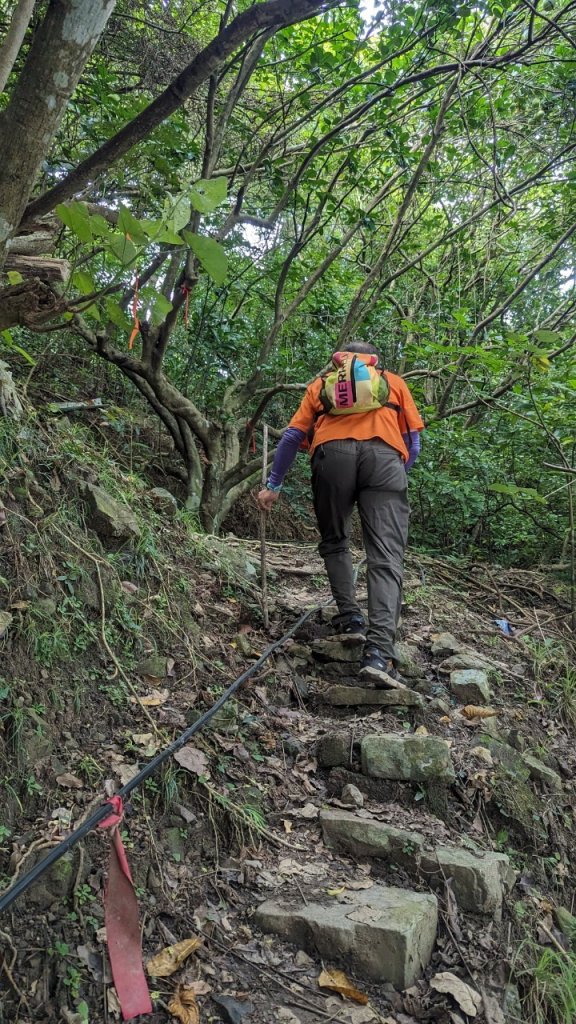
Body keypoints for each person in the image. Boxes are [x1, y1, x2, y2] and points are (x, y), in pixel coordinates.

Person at [257, 341, 424, 689]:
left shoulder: (321, 386)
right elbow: (414, 443)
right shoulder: (393, 382)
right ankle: (379, 653)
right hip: (385, 459)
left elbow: (292, 436)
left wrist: (274, 485)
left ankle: (350, 619)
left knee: (335, 539)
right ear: (373, 361)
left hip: (331, 456)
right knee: (386, 556)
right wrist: (396, 473)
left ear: (339, 363)